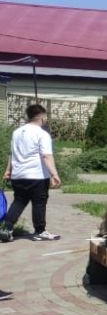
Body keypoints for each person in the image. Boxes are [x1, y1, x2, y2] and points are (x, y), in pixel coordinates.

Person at [2, 103, 62, 242]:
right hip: (37, 176)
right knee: (39, 203)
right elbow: (46, 156)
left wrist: (8, 170)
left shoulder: (17, 132)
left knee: (19, 201)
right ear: (42, 117)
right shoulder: (42, 134)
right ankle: (40, 231)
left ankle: (7, 229)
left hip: (18, 174)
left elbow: (12, 153)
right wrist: (54, 174)